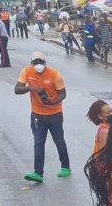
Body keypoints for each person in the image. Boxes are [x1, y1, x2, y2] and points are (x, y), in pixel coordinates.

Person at [14, 51, 70, 183]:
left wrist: (53, 101)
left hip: (55, 114)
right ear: (32, 63)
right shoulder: (27, 72)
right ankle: (38, 173)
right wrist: (34, 89)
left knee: (59, 141)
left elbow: (63, 93)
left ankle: (65, 167)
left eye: (41, 62)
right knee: (38, 143)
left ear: (45, 63)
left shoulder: (54, 74)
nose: (38, 65)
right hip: (37, 115)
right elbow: (17, 89)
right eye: (36, 62)